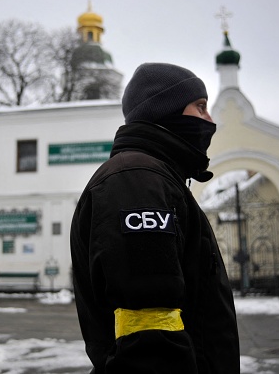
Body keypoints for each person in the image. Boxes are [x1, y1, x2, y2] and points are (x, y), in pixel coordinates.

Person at [70, 63, 240, 373]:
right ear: (166, 110)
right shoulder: (137, 182)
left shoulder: (156, 179)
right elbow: (148, 338)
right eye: (200, 107)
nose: (209, 120)